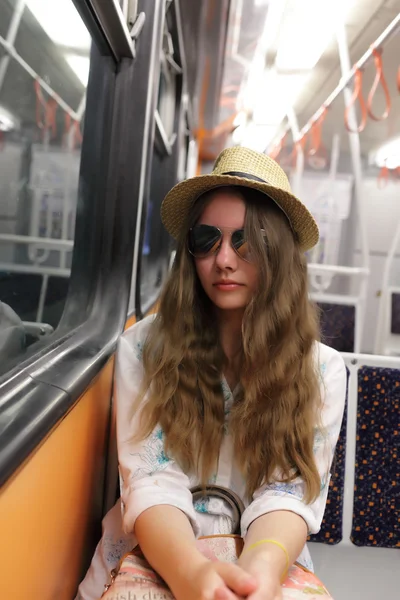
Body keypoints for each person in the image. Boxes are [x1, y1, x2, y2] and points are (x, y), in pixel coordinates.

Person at [76, 146, 346, 600]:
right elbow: (151, 479)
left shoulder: (320, 369)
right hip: (157, 548)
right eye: (207, 240)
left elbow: (289, 491)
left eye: (245, 242)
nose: (223, 260)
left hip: (270, 550)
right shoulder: (143, 348)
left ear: (276, 252)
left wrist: (258, 569)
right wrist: (191, 575)